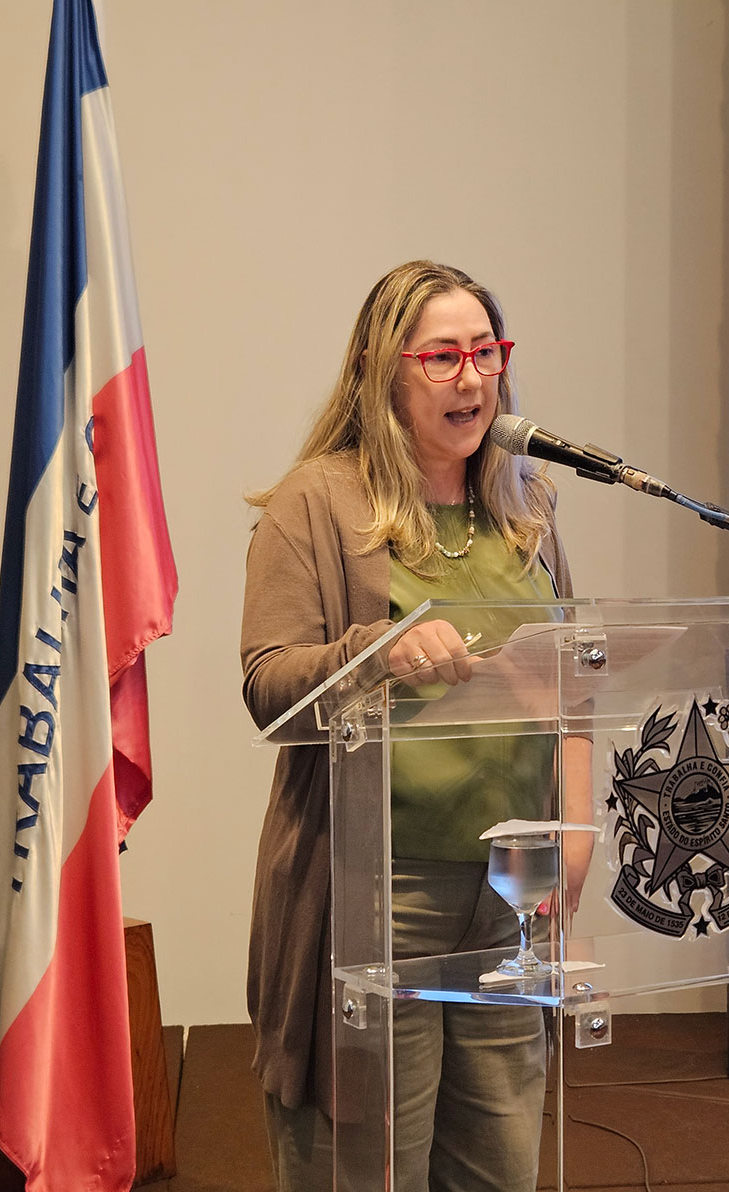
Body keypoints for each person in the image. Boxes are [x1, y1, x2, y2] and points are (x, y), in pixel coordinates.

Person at [239, 260, 589, 1192]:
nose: (472, 378)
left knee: (499, 1170)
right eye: (442, 357)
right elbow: (268, 685)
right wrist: (377, 652)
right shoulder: (319, 502)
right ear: (381, 371)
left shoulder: (526, 508)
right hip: (378, 896)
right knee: (368, 1170)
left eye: (486, 352)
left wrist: (577, 832)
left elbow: (576, 685)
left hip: (510, 899)